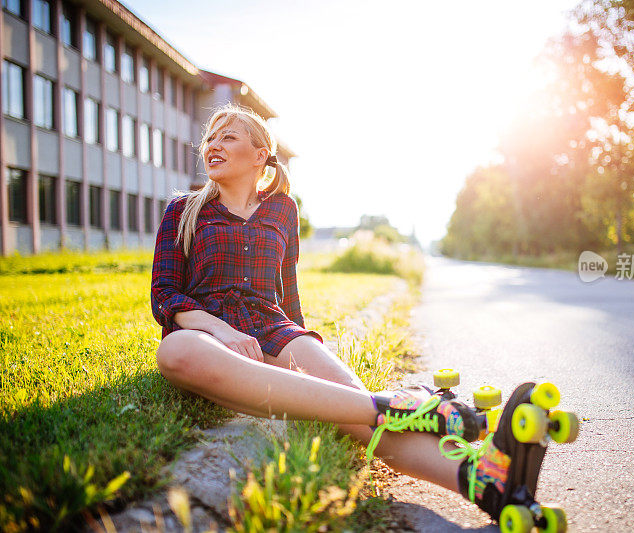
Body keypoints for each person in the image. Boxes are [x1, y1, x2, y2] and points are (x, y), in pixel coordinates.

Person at [151, 103, 554, 528]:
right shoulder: (183, 209)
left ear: (259, 156)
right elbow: (165, 295)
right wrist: (221, 331)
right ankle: (410, 407)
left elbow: (288, 294)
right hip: (204, 332)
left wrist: (302, 345)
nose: (213, 144)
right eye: (210, 137)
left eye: (227, 136)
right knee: (175, 353)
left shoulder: (282, 210)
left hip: (273, 328)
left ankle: (483, 479)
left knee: (356, 414)